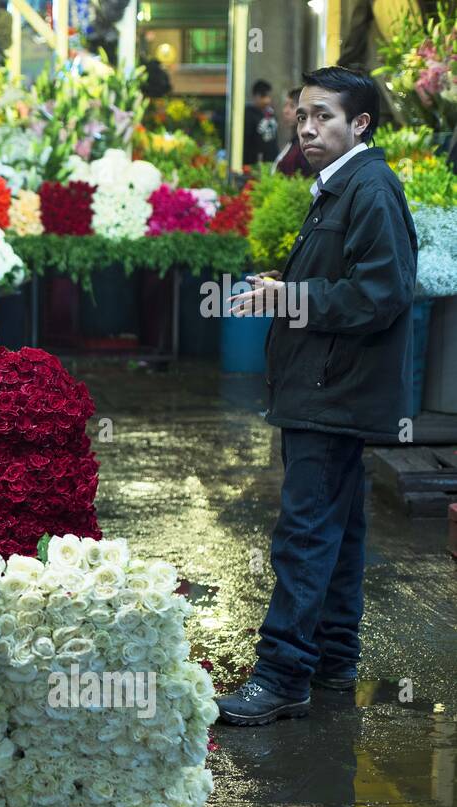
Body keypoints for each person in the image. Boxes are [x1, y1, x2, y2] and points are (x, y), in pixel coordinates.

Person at [218, 67, 418, 726]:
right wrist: (291, 280)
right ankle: (333, 660)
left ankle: (281, 675)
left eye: (323, 116)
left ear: (360, 123)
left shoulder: (371, 188)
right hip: (324, 388)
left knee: (304, 535)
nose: (307, 128)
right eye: (302, 115)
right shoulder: (339, 187)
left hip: (334, 394)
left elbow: (383, 295)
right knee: (339, 530)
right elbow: (350, 279)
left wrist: (292, 297)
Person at [273, 87, 314, 177]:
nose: (285, 111)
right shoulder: (294, 141)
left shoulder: (308, 145)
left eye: (292, 106)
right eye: (285, 105)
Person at [243, 79, 279, 167]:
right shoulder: (248, 114)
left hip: (272, 160)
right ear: (256, 96)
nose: (267, 100)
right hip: (254, 163)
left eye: (269, 96)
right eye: (264, 97)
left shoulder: (270, 113)